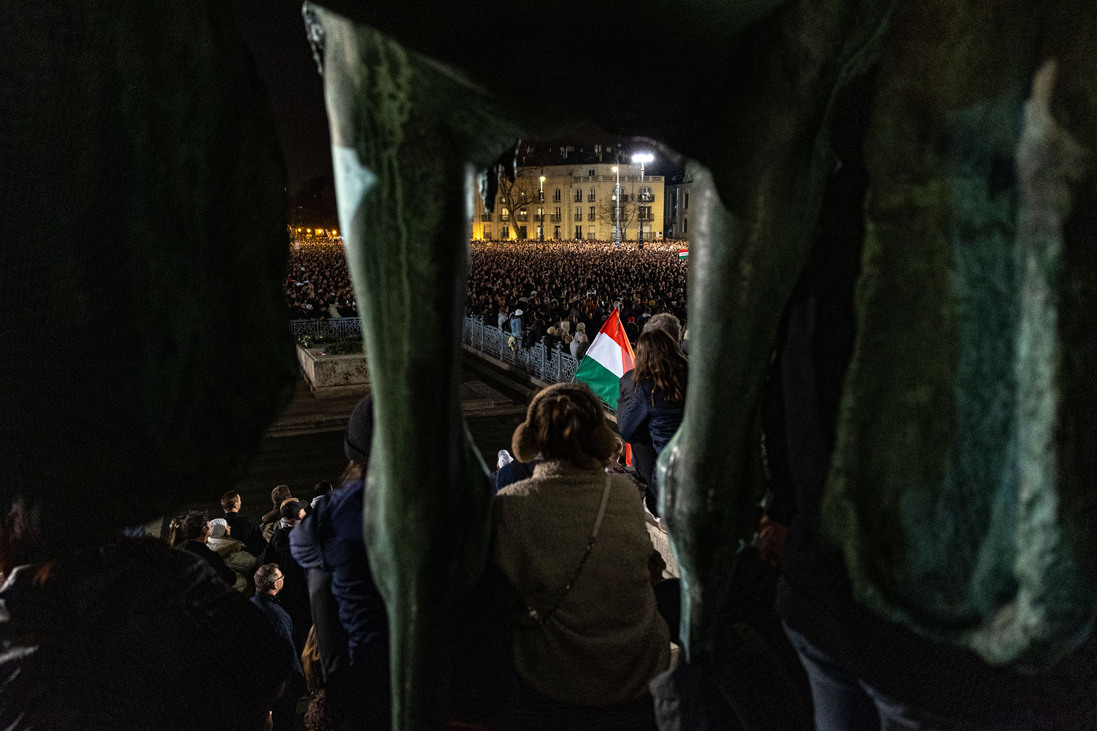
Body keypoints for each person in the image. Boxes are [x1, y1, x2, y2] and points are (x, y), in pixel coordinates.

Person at [494, 382, 670, 728]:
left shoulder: (511, 506)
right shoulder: (621, 492)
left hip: (554, 685)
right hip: (637, 677)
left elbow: (500, 598)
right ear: (600, 438)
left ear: (532, 440)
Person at [616, 328, 688, 515]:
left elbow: (627, 430)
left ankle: (654, 500)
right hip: (697, 462)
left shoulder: (647, 386)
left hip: (668, 478)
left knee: (639, 439)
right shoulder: (691, 375)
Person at [251, 563, 306, 731]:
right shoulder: (278, 615)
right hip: (280, 685)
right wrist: (299, 681)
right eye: (281, 577)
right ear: (275, 584)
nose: (283, 579)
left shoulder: (250, 605)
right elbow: (288, 652)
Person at [175, 510, 238, 587]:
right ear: (204, 529)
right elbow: (231, 578)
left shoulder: (178, 547)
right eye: (209, 524)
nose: (211, 526)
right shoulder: (210, 555)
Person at [221, 490, 266, 556]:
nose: (240, 502)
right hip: (248, 562)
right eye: (240, 500)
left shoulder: (217, 525)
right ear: (235, 505)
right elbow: (259, 545)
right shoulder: (249, 522)